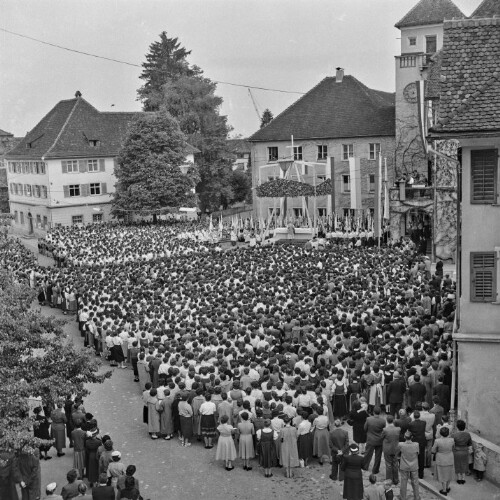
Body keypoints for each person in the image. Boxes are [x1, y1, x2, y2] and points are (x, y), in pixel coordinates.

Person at [431, 426, 454, 495]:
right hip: (449, 458)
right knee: (449, 473)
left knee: (442, 474)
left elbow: (433, 450)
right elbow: (453, 447)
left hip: (441, 458)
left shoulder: (437, 441)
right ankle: (447, 487)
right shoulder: (452, 440)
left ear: (440, 433)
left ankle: (444, 490)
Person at [398, 431, 420, 500]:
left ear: (404, 437)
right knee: (415, 482)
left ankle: (403, 497)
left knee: (403, 482)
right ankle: (416, 497)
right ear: (412, 437)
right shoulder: (416, 444)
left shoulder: (401, 444)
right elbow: (418, 453)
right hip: (414, 465)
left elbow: (398, 453)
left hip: (404, 465)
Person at [363, 406, 385, 474]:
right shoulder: (383, 421)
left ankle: (365, 466)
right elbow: (384, 430)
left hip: (370, 439)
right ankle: (375, 470)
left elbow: (365, 428)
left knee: (368, 454)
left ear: (373, 412)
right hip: (379, 440)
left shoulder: (368, 419)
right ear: (380, 412)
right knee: (378, 456)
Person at [381, 414, 400, 485]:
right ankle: (396, 480)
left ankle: (389, 480)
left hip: (387, 449)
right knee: (395, 464)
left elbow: (381, 437)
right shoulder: (398, 429)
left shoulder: (385, 430)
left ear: (387, 421)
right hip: (395, 448)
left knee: (388, 464)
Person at [453, 419, 472, 485]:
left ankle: (459, 478)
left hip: (457, 451)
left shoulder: (454, 435)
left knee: (457, 464)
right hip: (465, 451)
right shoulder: (468, 435)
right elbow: (470, 444)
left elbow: (453, 444)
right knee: (464, 464)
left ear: (457, 427)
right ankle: (463, 479)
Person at [408, 411, 426, 479]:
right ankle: (421, 474)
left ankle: (413, 473)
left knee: (413, 458)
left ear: (413, 417)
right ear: (419, 416)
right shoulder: (424, 423)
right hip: (421, 441)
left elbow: (409, 432)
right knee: (421, 458)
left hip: (414, 442)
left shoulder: (411, 424)